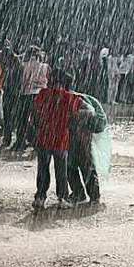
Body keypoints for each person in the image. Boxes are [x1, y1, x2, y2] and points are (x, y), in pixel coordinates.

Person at [32, 70, 84, 210]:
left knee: (43, 169)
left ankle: (40, 197)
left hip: (44, 138)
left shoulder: (42, 94)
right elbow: (79, 114)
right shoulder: (69, 97)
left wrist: (38, 128)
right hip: (61, 140)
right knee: (61, 171)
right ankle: (62, 198)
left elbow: (35, 115)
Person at [67, 92, 109, 205]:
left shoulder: (73, 99)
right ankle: (82, 194)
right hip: (88, 121)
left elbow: (89, 113)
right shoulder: (69, 97)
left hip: (92, 122)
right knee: (72, 161)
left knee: (83, 160)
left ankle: (91, 195)